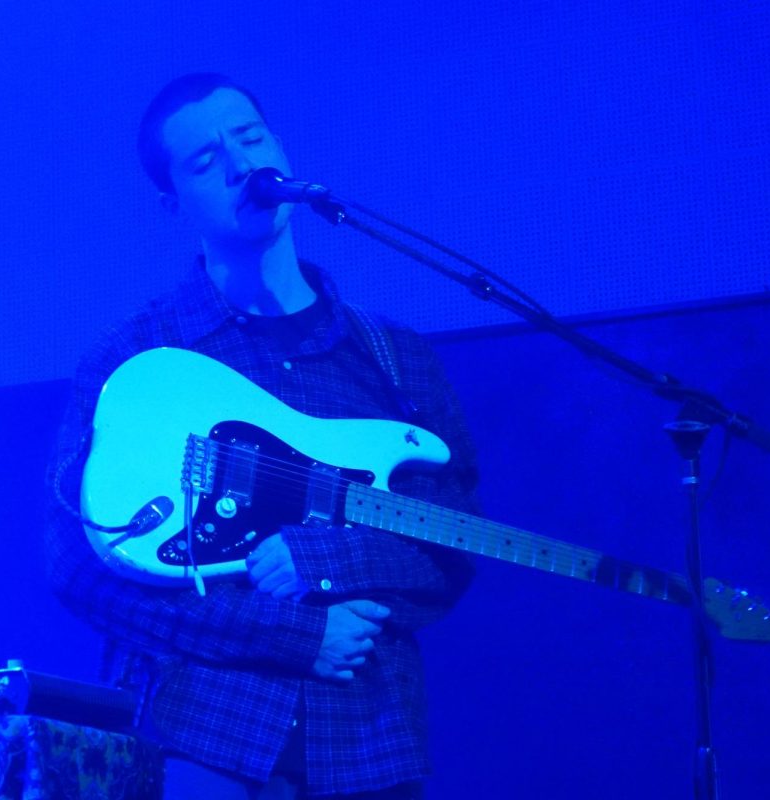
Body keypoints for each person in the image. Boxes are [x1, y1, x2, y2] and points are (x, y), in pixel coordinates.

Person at [45, 73, 479, 799]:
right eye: (205, 161)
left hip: (372, 741)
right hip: (200, 735)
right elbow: (76, 565)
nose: (242, 166)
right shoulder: (134, 358)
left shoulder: (395, 360)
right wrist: (292, 635)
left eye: (249, 138)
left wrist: (324, 555)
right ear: (171, 200)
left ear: (279, 147)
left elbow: (455, 541)